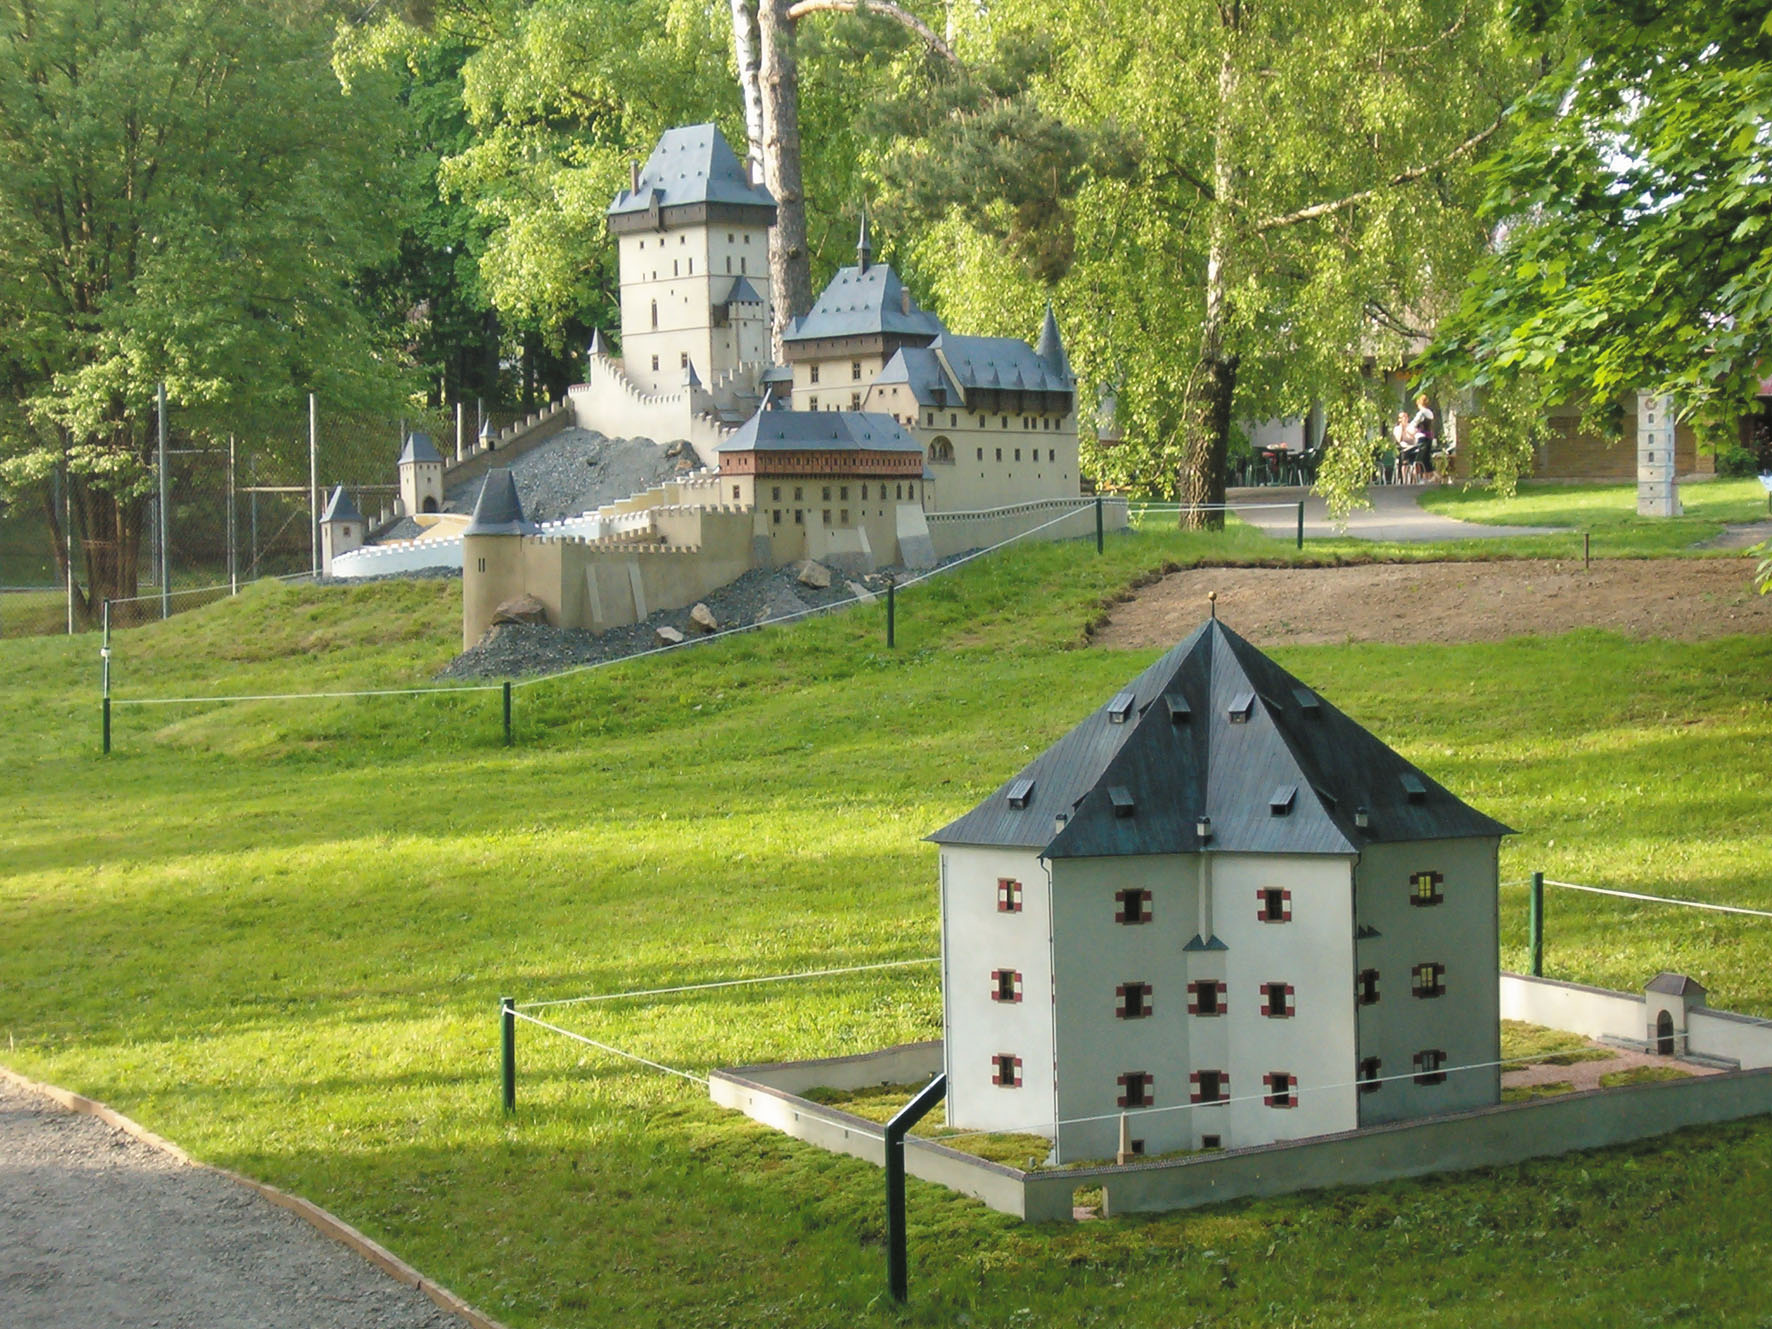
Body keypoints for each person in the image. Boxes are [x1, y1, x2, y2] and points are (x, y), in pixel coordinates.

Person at [1410, 395, 1437, 483]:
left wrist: (1410, 430)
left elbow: (1414, 424)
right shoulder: (1430, 413)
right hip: (1429, 437)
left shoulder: (1421, 413)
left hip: (1422, 437)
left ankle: (1421, 478)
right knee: (1426, 457)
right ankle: (1429, 476)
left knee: (1419, 458)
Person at [1393, 411, 1418, 483]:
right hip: (1403, 448)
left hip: (1413, 446)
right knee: (1404, 459)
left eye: (1405, 417)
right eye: (1402, 417)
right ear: (1399, 419)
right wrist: (1402, 429)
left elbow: (1413, 437)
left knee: (1416, 460)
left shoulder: (1411, 426)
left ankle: (1414, 480)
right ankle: (1405, 480)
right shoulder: (1397, 428)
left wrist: (1407, 430)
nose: (1404, 419)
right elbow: (1399, 439)